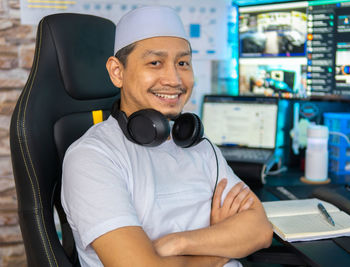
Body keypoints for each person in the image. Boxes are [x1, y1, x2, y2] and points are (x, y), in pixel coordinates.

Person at [61, 5, 273, 267]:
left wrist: (177, 243)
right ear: (118, 72)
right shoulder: (92, 157)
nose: (174, 79)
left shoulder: (199, 146)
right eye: (155, 63)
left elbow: (260, 230)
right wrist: (220, 246)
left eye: (182, 63)